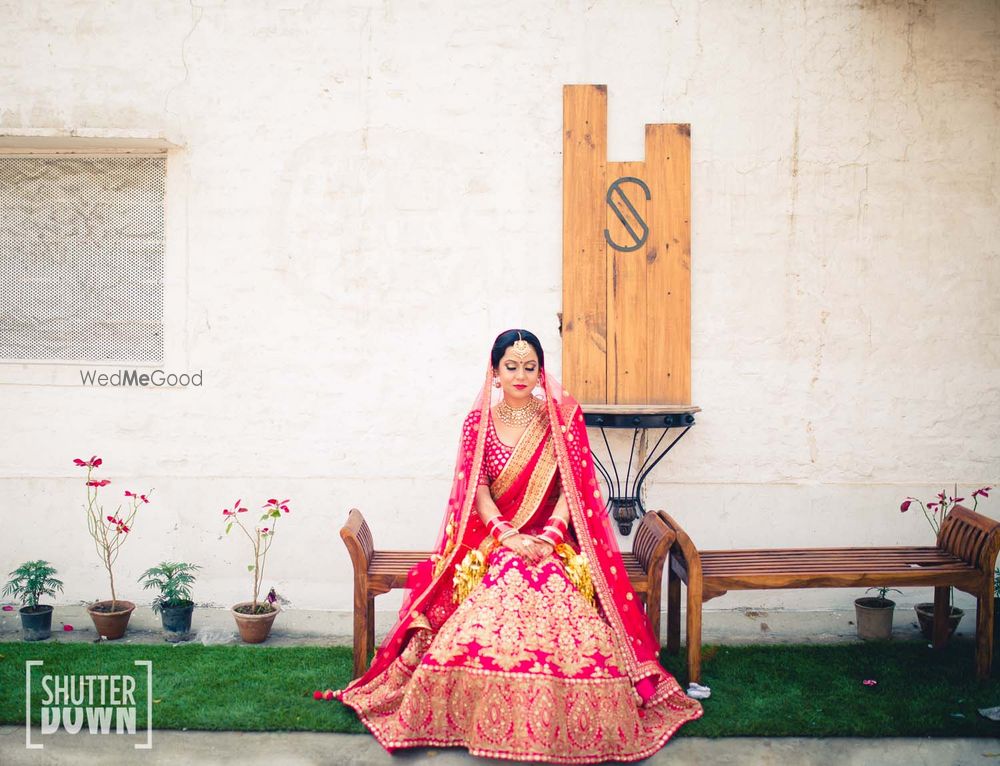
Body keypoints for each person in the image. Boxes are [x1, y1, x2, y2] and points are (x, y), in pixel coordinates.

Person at [336, 329, 702, 762]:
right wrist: (507, 534)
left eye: (530, 367)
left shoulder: (560, 419)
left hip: (553, 541)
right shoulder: (479, 423)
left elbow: (573, 488)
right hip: (495, 541)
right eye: (511, 366)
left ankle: (564, 705)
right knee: (503, 588)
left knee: (555, 596)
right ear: (494, 371)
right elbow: (478, 488)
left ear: (541, 371)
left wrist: (549, 535)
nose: (521, 375)